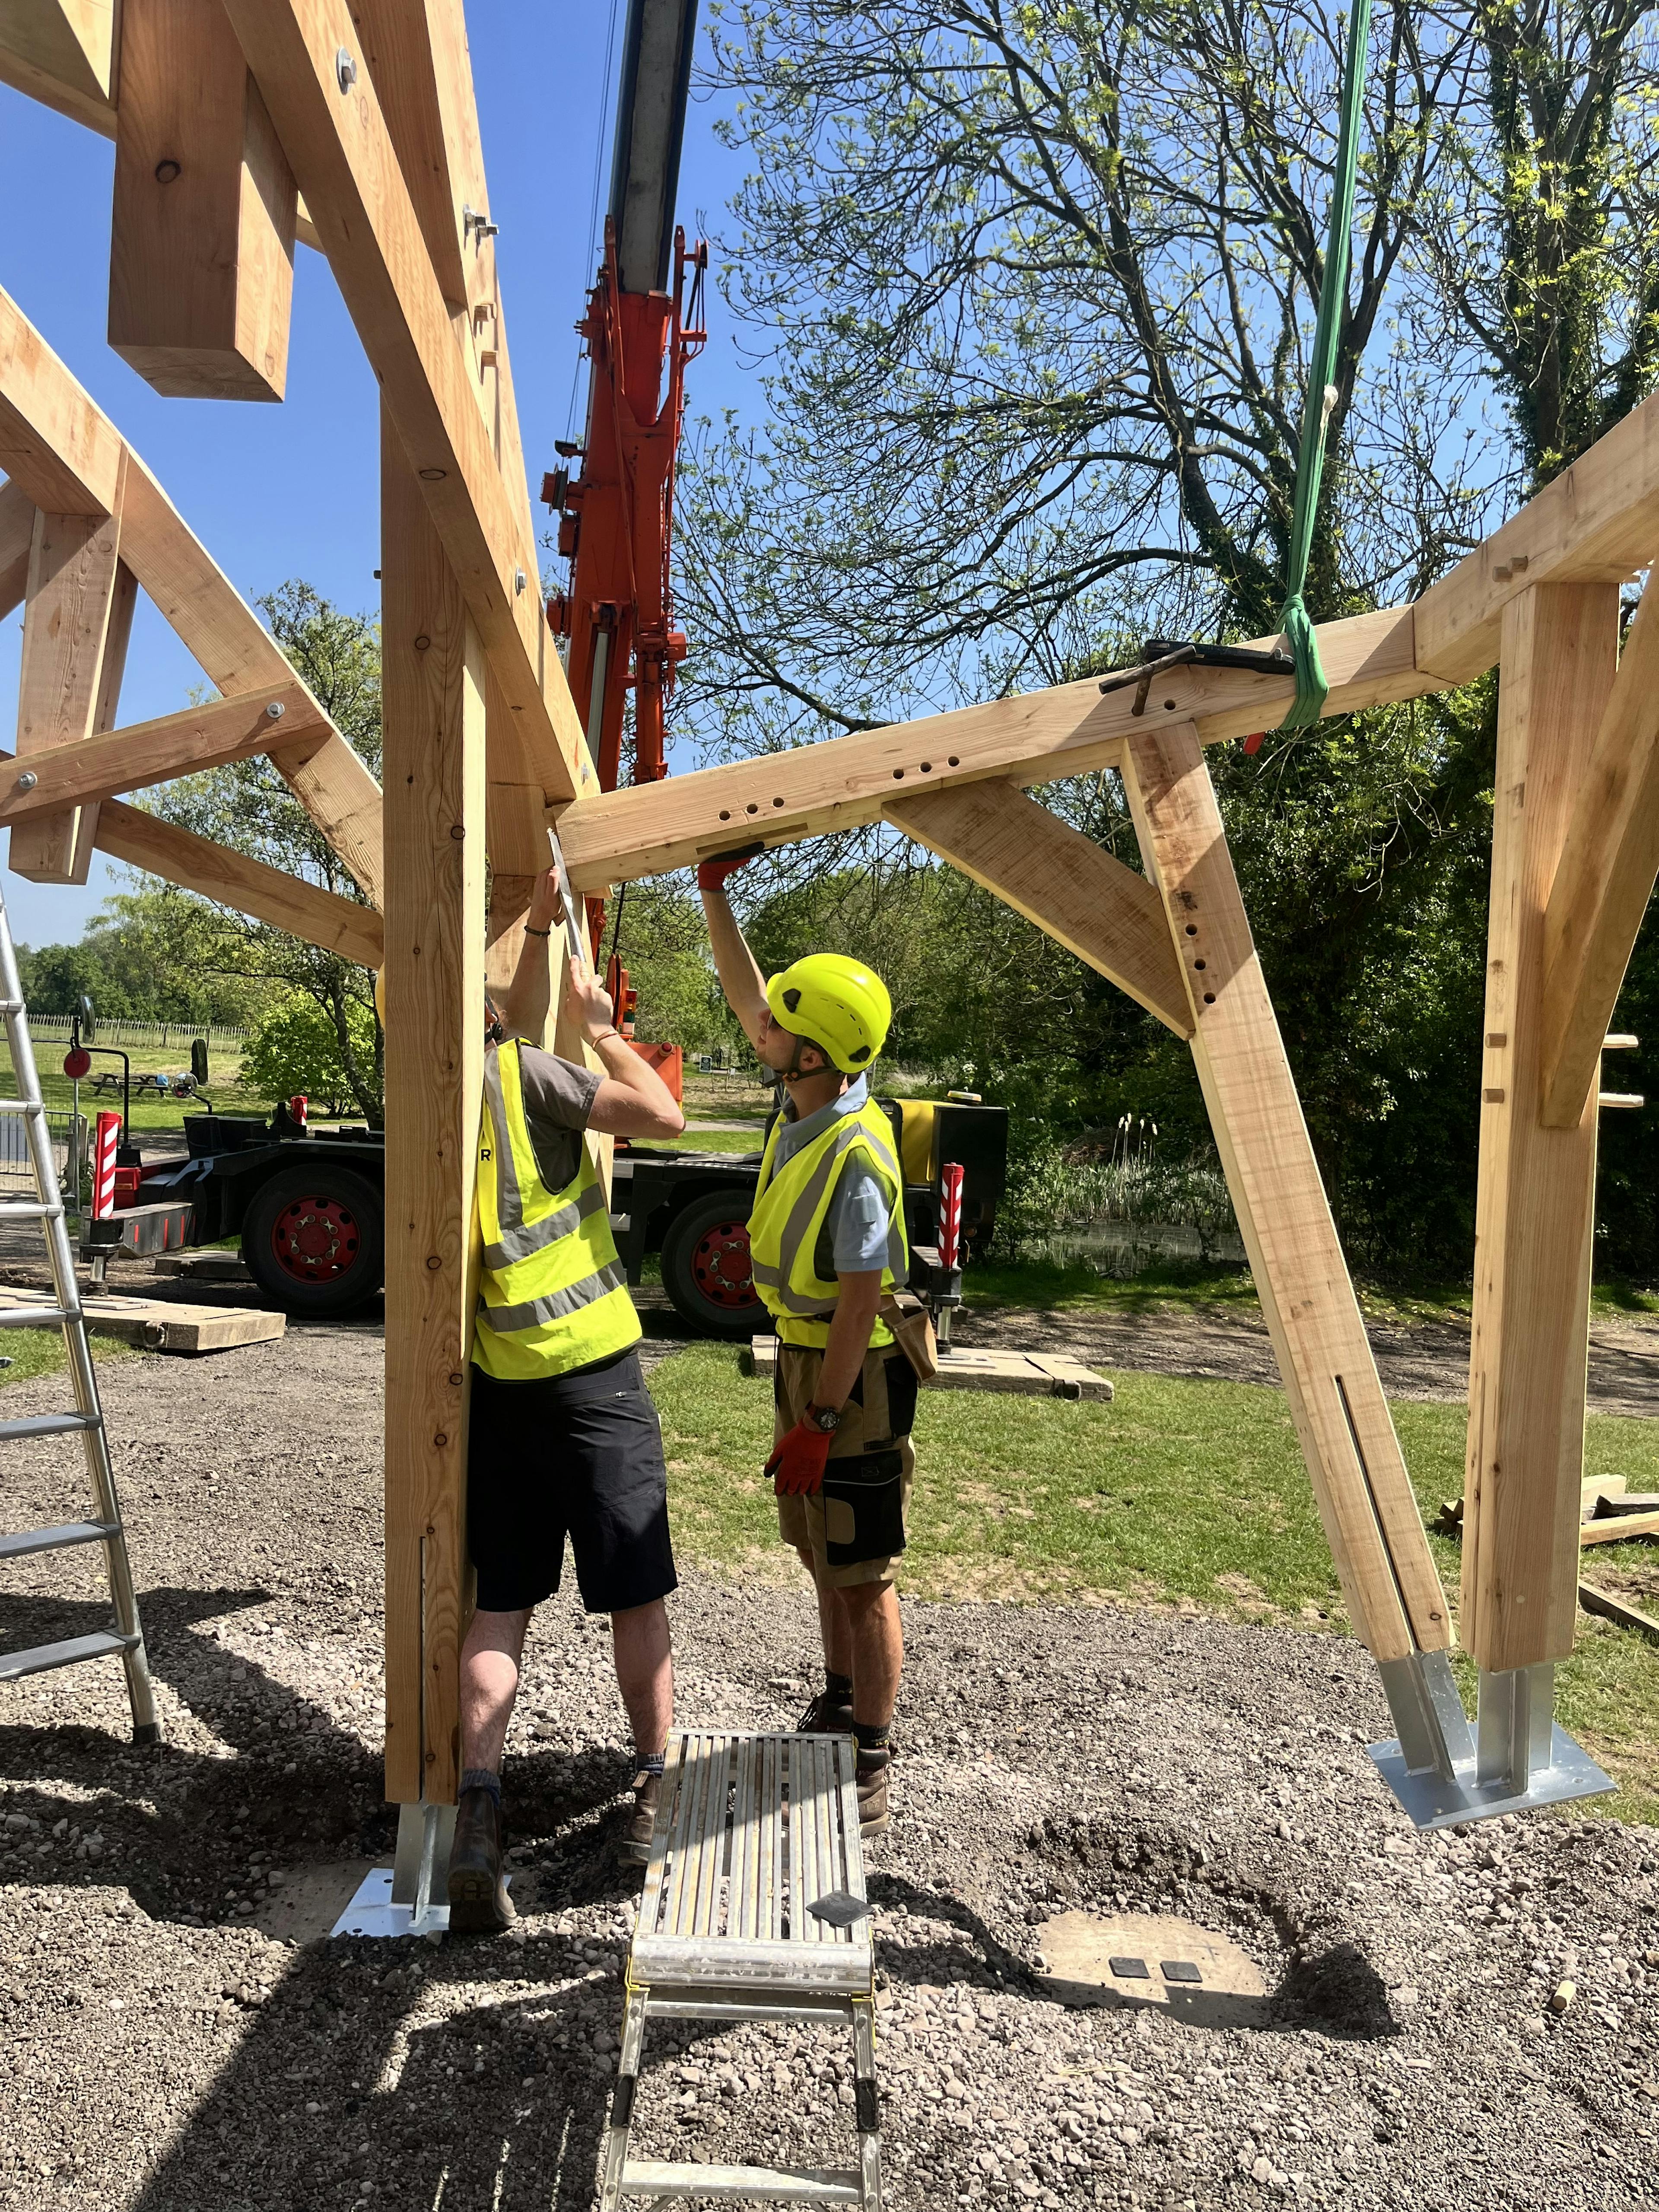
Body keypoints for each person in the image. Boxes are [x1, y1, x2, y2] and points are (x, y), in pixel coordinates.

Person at [444, 868, 686, 1934]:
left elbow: (505, 1002)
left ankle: (479, 1812)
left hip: (502, 1389)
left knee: (501, 1604)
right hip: (594, 1378)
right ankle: (650, 1791)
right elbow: (663, 1115)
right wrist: (603, 1029)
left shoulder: (444, 1093)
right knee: (635, 1595)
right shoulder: (532, 1075)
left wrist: (542, 921)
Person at [699, 854, 911, 1834]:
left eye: (780, 1027)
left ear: (814, 1054)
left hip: (850, 1374)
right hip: (806, 1361)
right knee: (821, 1552)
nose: (761, 1030)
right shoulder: (806, 1102)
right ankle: (837, 1702)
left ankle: (870, 1751)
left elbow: (864, 1305)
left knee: (863, 1572)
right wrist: (713, 893)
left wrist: (823, 1418)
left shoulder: (857, 1157)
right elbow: (748, 993)